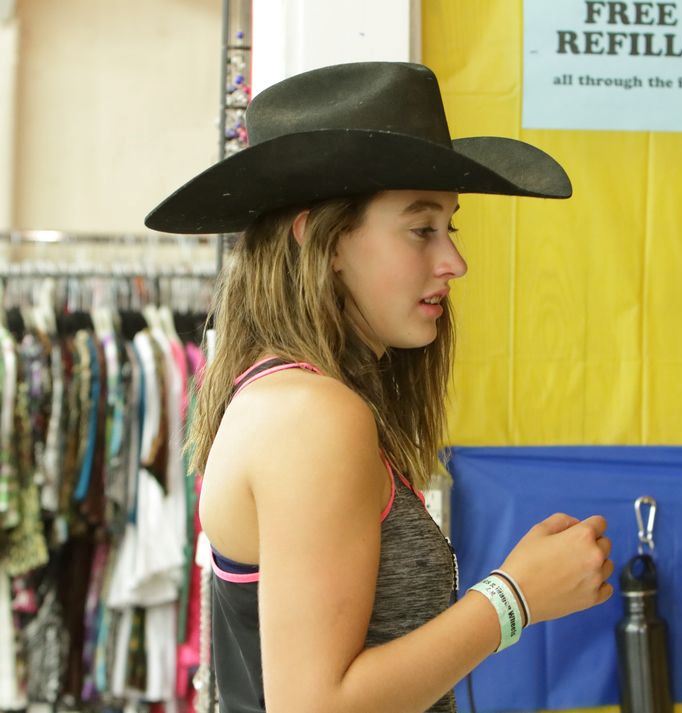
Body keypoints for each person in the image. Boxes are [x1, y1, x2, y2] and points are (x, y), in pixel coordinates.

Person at [146, 62, 614, 713]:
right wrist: (514, 598)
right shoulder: (311, 414)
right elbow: (314, 704)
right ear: (324, 240)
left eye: (452, 227)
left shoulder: (293, 400)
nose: (454, 261)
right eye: (422, 228)